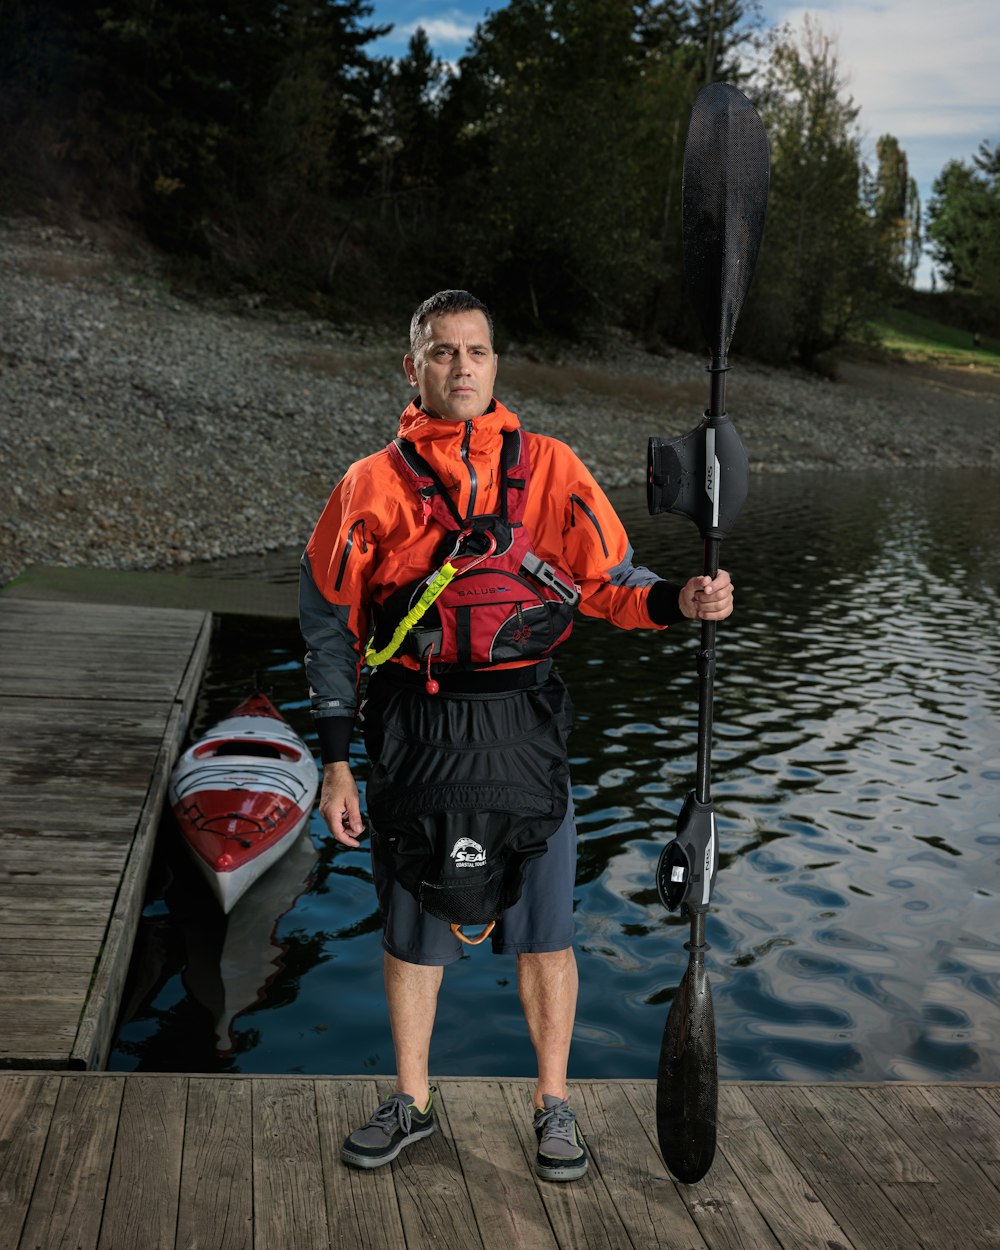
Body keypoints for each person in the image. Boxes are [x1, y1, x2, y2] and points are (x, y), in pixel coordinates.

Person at [299, 289, 734, 1181]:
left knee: (546, 932)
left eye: (477, 351)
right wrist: (335, 761)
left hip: (524, 729)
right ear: (411, 367)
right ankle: (413, 1101)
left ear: (497, 365)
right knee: (411, 931)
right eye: (443, 351)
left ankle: (554, 1105)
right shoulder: (369, 486)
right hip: (414, 731)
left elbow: (610, 578)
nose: (462, 367)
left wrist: (677, 600)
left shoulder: (551, 469)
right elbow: (330, 626)